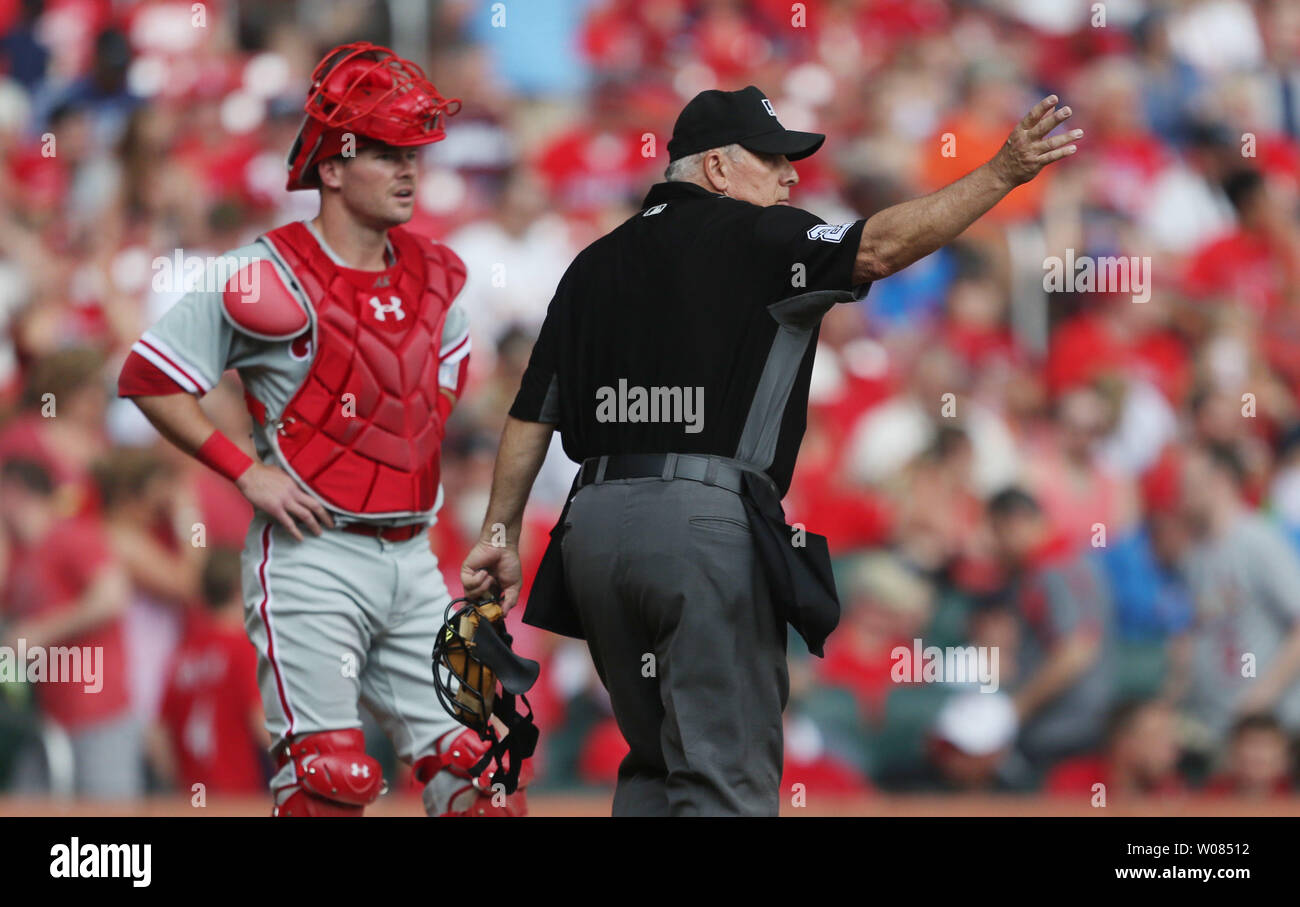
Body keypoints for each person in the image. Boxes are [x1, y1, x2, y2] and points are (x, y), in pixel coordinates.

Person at [461, 84, 1083, 815]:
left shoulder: (590, 264)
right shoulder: (760, 237)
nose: (790, 176)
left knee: (655, 769)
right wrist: (1001, 173)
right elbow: (878, 247)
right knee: (724, 779)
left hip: (591, 534)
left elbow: (534, 412)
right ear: (718, 169)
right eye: (773, 158)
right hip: (697, 523)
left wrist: (500, 533)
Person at [118, 42, 524, 817]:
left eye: (412, 152)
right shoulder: (264, 271)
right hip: (313, 556)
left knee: (484, 778)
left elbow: (439, 396)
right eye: (381, 151)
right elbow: (149, 376)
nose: (407, 169)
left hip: (413, 561)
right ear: (330, 168)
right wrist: (245, 470)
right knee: (327, 785)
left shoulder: (438, 276)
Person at [0, 458, 136, 797]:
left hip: (97, 709)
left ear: (14, 493)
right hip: (49, 718)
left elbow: (113, 594)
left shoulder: (72, 535)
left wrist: (42, 632)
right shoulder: (20, 556)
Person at [153, 548, 268, 795]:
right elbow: (261, 726)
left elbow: (158, 736)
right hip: (238, 794)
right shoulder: (244, 648)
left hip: (191, 795)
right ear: (241, 589)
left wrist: (178, 784)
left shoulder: (184, 650)